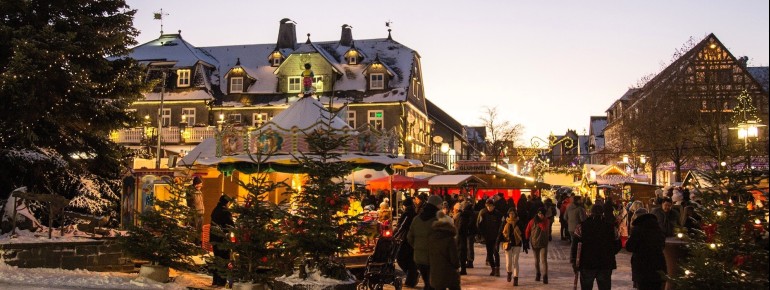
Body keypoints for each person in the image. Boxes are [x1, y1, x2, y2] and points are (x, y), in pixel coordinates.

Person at [570, 205, 621, 290]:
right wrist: (610, 252)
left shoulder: (582, 226)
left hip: (587, 263)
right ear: (603, 213)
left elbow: (575, 245)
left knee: (586, 287)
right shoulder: (611, 227)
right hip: (605, 263)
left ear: (590, 212)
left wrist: (573, 260)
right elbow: (618, 244)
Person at [408, 195, 442, 290]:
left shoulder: (416, 219)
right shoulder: (438, 221)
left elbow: (409, 237)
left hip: (419, 257)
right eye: (440, 205)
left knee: (428, 282)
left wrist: (418, 247)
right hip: (434, 258)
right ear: (436, 206)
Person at [626, 213, 666, 290]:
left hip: (642, 267)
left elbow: (629, 247)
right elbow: (662, 246)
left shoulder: (637, 229)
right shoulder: (658, 230)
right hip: (658, 266)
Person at [428, 211, 461, 290]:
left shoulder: (431, 237)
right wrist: (457, 265)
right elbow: (454, 259)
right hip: (449, 273)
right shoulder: (450, 239)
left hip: (435, 272)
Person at [210, 195, 233, 287]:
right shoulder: (225, 212)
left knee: (217, 259)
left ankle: (215, 281)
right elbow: (231, 225)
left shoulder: (215, 209)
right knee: (224, 259)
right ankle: (222, 281)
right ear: (226, 203)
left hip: (214, 239)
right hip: (223, 239)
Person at [395, 197, 419, 287]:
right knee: (410, 259)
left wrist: (394, 236)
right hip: (413, 239)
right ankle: (411, 279)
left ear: (405, 205)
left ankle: (412, 276)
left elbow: (401, 227)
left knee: (400, 257)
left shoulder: (407, 214)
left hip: (407, 239)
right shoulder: (414, 213)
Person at [477, 198, 503, 276]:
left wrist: (500, 235)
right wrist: (482, 234)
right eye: (488, 206)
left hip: (496, 237)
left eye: (491, 206)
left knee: (496, 252)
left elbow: (502, 224)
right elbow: (479, 224)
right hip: (487, 236)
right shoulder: (483, 213)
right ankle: (493, 269)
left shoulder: (498, 214)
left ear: (494, 206)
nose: (489, 208)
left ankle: (497, 269)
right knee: (489, 253)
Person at [525, 207, 551, 284]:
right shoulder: (532, 221)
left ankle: (545, 276)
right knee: (536, 260)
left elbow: (544, 228)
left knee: (544, 260)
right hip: (535, 243)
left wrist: (539, 222)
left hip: (543, 243)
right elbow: (527, 231)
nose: (540, 216)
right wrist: (526, 240)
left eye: (542, 214)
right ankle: (538, 274)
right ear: (537, 213)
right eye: (539, 214)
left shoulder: (546, 221)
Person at [499, 208, 523, 286]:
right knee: (508, 262)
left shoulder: (519, 222)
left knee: (515, 262)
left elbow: (522, 233)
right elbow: (501, 233)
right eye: (510, 213)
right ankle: (509, 272)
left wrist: (525, 243)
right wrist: (498, 242)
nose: (511, 215)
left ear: (515, 214)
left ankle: (516, 278)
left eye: (513, 213)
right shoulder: (505, 222)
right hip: (508, 244)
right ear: (508, 214)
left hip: (517, 244)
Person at [452, 201, 471, 275]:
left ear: (456, 209)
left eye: (454, 209)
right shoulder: (459, 216)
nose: (453, 210)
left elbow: (460, 228)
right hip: (460, 237)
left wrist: (456, 233)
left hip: (460, 238)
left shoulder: (460, 216)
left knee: (461, 253)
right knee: (460, 253)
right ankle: (462, 269)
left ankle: (463, 269)